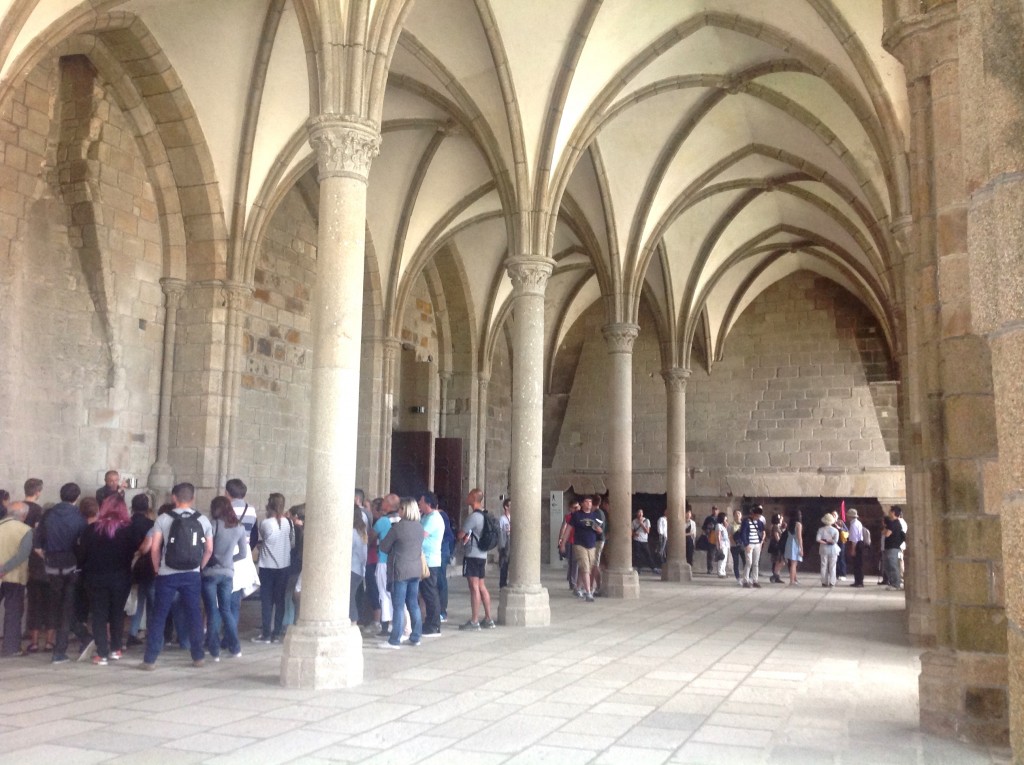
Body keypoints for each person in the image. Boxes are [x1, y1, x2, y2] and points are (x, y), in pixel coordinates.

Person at [142, 482, 213, 670]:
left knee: (159, 615)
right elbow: (209, 549)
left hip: (167, 573)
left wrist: (157, 569)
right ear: (193, 498)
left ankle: (150, 659)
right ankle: (198, 657)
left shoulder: (163, 519)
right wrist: (199, 567)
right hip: (192, 574)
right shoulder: (203, 520)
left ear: (174, 498)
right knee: (194, 614)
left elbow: (155, 548)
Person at [78, 494, 145, 664]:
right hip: (121, 578)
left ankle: (102, 653)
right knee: (117, 613)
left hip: (95, 578)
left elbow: (81, 556)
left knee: (99, 615)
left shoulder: (91, 529)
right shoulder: (129, 530)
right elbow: (138, 550)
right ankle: (116, 648)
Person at [34, 482, 89, 664]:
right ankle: (61, 650)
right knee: (66, 608)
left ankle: (83, 637)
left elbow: (37, 545)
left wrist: (48, 556)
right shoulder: (80, 518)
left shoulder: (48, 515)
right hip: (71, 566)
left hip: (51, 566)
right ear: (77, 497)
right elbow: (82, 546)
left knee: (58, 606)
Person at [201, 496, 247, 660]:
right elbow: (243, 553)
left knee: (212, 611)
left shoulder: (214, 525)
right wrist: (228, 561)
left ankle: (214, 651)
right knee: (226, 610)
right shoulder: (239, 527)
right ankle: (235, 648)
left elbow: (207, 548)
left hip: (210, 572)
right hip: (228, 574)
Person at [378, 498, 425, 649]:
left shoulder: (398, 527)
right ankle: (416, 636)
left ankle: (395, 639)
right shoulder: (419, 527)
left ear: (405, 510)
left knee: (398, 605)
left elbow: (384, 547)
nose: (398, 511)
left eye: (400, 509)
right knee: (413, 604)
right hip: (415, 569)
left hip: (400, 570)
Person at [252, 493, 293, 644]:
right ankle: (277, 633)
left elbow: (261, 541)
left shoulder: (266, 523)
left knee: (267, 600)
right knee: (280, 600)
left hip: (268, 565)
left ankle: (266, 634)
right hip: (284, 565)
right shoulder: (287, 522)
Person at [22, 478, 53, 654]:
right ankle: (49, 642)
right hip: (51, 571)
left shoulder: (34, 531)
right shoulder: (54, 530)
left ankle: (33, 642)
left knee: (34, 605)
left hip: (33, 570)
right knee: (51, 606)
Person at [458, 488, 494, 630]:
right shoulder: (485, 515)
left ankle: (474, 621)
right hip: (482, 555)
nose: (466, 498)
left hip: (472, 554)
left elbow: (461, 534)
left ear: (473, 498)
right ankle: (488, 618)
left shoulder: (474, 517)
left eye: (468, 495)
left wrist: (461, 535)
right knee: (481, 586)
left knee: (474, 587)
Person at [0, 501, 32, 656]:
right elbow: (22, 555)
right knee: (13, 612)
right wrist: (4, 569)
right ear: (24, 515)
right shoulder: (26, 530)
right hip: (15, 577)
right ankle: (11, 648)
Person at [127, 493, 156, 647]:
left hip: (129, 566)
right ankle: (152, 632)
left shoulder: (126, 524)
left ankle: (132, 632)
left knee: (136, 601)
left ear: (132, 507)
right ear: (147, 508)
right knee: (152, 601)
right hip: (148, 567)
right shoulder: (151, 525)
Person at [372, 494, 400, 637]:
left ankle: (385, 626)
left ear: (388, 505)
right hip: (397, 561)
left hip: (383, 560)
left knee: (383, 593)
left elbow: (370, 537)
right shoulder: (401, 519)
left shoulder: (383, 521)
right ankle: (395, 623)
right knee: (394, 593)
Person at [418, 491, 443, 636]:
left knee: (430, 592)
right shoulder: (426, 516)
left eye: (421, 501)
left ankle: (433, 625)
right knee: (426, 593)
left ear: (428, 503)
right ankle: (429, 622)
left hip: (430, 561)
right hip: (425, 559)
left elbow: (420, 534)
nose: (419, 503)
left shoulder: (433, 518)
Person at [571, 497, 603, 601]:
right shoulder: (577, 515)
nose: (589, 504)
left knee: (587, 567)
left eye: (590, 502)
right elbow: (568, 528)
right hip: (579, 544)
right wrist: (562, 542)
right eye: (586, 502)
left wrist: (598, 529)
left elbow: (600, 529)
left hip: (591, 544)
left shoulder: (595, 515)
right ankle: (588, 592)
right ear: (582, 504)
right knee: (585, 567)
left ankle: (578, 587)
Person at [350, 502, 368, 624]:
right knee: (351, 597)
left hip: (351, 568)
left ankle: (353, 622)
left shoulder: (352, 532)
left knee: (349, 598)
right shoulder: (362, 531)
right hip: (359, 569)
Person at [740, 505, 765, 588]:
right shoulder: (746, 521)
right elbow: (743, 533)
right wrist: (746, 544)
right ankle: (745, 581)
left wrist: (761, 542)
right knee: (749, 562)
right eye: (757, 516)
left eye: (759, 516)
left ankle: (755, 580)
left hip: (757, 544)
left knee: (755, 563)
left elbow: (762, 531)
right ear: (753, 514)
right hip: (749, 544)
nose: (758, 517)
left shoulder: (759, 522)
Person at [557, 501, 579, 592]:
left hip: (578, 541)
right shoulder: (568, 517)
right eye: (575, 507)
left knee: (573, 563)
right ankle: (573, 582)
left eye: (578, 507)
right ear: (570, 508)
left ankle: (572, 580)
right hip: (570, 541)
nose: (577, 509)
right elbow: (563, 529)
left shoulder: (580, 516)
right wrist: (561, 540)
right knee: (573, 562)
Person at [883, 506, 906, 591]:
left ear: (893, 512)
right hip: (891, 547)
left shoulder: (894, 523)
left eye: (890, 511)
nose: (888, 513)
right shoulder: (894, 523)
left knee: (893, 566)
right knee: (888, 566)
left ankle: (896, 584)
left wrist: (885, 530)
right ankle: (893, 583)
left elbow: (886, 534)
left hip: (893, 547)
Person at [631, 508, 660, 575]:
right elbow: (631, 531)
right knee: (637, 555)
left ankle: (653, 568)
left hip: (644, 540)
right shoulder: (634, 521)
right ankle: (639, 568)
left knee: (648, 554)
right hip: (637, 540)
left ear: (643, 514)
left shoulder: (647, 521)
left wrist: (642, 524)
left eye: (641, 513)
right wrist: (635, 534)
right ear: (637, 514)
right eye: (639, 513)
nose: (640, 514)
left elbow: (647, 531)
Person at [816, 512, 840, 588]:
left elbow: (817, 539)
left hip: (823, 549)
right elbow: (835, 541)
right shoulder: (835, 530)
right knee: (832, 566)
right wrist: (830, 541)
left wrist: (824, 542)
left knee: (823, 566)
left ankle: (824, 582)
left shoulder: (820, 529)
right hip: (833, 550)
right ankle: (832, 582)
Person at [847, 508, 865, 587]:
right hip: (860, 543)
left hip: (857, 544)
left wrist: (853, 550)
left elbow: (854, 538)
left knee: (857, 564)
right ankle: (859, 581)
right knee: (859, 564)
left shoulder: (853, 525)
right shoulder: (858, 522)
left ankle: (858, 582)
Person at [784, 509, 803, 585]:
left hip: (789, 542)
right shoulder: (798, 524)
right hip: (795, 543)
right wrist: (801, 548)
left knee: (792, 562)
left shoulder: (789, 523)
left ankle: (794, 579)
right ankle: (792, 581)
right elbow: (799, 537)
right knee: (794, 563)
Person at [728, 508, 745, 585]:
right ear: (734, 516)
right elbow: (730, 536)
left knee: (746, 562)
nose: (737, 515)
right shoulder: (731, 525)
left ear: (741, 515)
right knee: (736, 562)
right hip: (735, 547)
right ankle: (738, 578)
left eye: (739, 514)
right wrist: (734, 543)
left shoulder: (744, 524)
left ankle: (746, 576)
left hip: (743, 546)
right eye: (736, 514)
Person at [768, 513, 785, 584]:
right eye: (781, 518)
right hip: (777, 545)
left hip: (777, 545)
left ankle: (777, 576)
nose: (782, 520)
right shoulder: (775, 527)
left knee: (778, 561)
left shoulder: (778, 527)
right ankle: (775, 576)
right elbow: (776, 536)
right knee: (780, 561)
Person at [498, 498, 511, 588]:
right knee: (504, 564)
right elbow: (500, 532)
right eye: (510, 505)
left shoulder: (514, 518)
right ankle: (502, 584)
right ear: (506, 507)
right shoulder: (502, 519)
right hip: (505, 543)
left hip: (512, 542)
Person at [701, 507, 718, 574]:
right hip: (711, 537)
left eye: (716, 509)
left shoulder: (720, 518)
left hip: (719, 537)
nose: (714, 511)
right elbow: (704, 527)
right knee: (710, 554)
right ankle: (710, 568)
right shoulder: (709, 518)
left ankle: (720, 568)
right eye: (713, 509)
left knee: (720, 554)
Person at [714, 511, 729, 577]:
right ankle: (720, 572)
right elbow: (718, 535)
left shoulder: (723, 526)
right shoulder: (718, 525)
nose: (726, 518)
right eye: (725, 517)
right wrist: (719, 544)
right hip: (722, 543)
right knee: (721, 558)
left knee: (725, 558)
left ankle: (723, 571)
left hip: (726, 543)